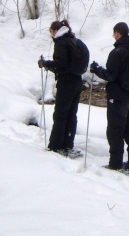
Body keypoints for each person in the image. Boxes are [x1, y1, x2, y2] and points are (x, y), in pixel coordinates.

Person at [89, 22, 129, 171]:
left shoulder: (117, 52)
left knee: (115, 130)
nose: (114, 36)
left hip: (118, 98)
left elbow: (110, 76)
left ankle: (115, 163)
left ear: (118, 33)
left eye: (114, 33)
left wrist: (97, 69)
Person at [38, 19, 90, 156]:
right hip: (77, 81)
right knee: (71, 114)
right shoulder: (75, 41)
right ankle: (68, 144)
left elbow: (60, 63)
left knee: (60, 114)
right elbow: (68, 63)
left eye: (50, 32)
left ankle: (55, 145)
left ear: (55, 31)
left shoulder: (61, 42)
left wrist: (45, 63)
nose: (51, 36)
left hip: (66, 83)